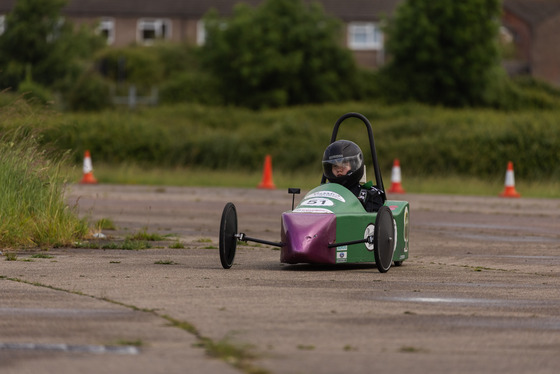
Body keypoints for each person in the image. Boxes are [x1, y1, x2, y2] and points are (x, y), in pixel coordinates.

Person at [322, 140, 384, 212]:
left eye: (344, 164)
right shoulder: (323, 192)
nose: (339, 169)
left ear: (354, 165)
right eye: (335, 166)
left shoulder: (370, 196)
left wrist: (359, 206)